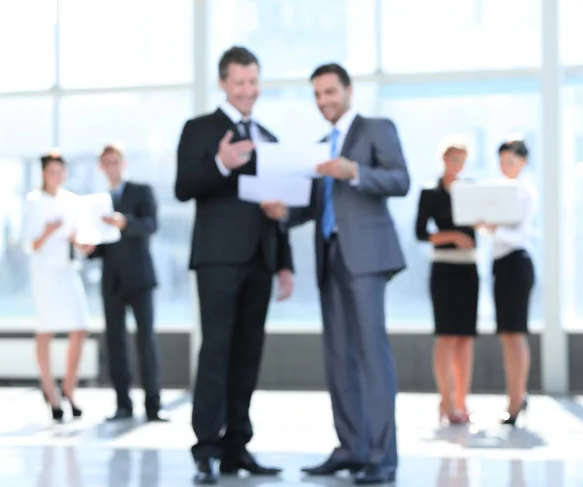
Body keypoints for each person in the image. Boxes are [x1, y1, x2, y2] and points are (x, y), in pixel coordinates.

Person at [263, 63, 410, 485]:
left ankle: (382, 457)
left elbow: (400, 180)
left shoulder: (376, 129)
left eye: (330, 91)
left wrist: (356, 172)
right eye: (317, 95)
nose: (324, 100)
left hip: (366, 257)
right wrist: (283, 214)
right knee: (339, 357)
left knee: (371, 355)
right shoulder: (316, 148)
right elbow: (311, 207)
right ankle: (351, 448)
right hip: (331, 258)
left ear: (348, 90)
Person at [174, 46, 294, 485]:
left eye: (253, 82)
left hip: (261, 259)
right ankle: (206, 447)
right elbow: (184, 186)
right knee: (217, 351)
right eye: (239, 83)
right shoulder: (200, 129)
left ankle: (236, 447)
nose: (248, 91)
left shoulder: (269, 136)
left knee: (248, 354)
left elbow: (280, 206)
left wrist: (285, 263)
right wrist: (221, 163)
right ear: (224, 83)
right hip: (218, 258)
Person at [86, 144, 167, 423]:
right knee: (115, 344)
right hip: (112, 280)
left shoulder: (140, 191)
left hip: (140, 278)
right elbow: (101, 245)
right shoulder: (97, 201)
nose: (111, 167)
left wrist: (125, 222)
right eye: (106, 163)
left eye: (115, 162)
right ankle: (122, 404)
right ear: (101, 167)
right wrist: (89, 248)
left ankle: (154, 405)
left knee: (146, 342)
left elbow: (151, 225)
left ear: (124, 163)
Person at [415, 135, 478, 425]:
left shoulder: (471, 189)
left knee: (465, 336)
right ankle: (445, 399)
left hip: (468, 270)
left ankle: (462, 401)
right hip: (443, 269)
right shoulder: (430, 192)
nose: (458, 165)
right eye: (454, 159)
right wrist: (452, 236)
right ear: (444, 159)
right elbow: (420, 233)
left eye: (462, 161)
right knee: (446, 335)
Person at [23, 151, 89, 421]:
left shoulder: (72, 201)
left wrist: (80, 242)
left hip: (67, 269)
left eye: (60, 171)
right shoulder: (34, 201)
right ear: (43, 173)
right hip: (45, 272)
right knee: (46, 329)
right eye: (52, 171)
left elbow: (79, 235)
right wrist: (49, 231)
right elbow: (30, 244)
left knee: (80, 326)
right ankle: (50, 391)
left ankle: (69, 387)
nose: (57, 176)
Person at [479, 139, 537, 426]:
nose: (505, 167)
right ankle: (515, 396)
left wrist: (492, 228)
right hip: (502, 266)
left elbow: (519, 235)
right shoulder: (502, 191)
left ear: (522, 162)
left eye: (510, 161)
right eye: (502, 161)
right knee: (507, 334)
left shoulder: (525, 191)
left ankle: (516, 400)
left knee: (514, 334)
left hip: (517, 264)